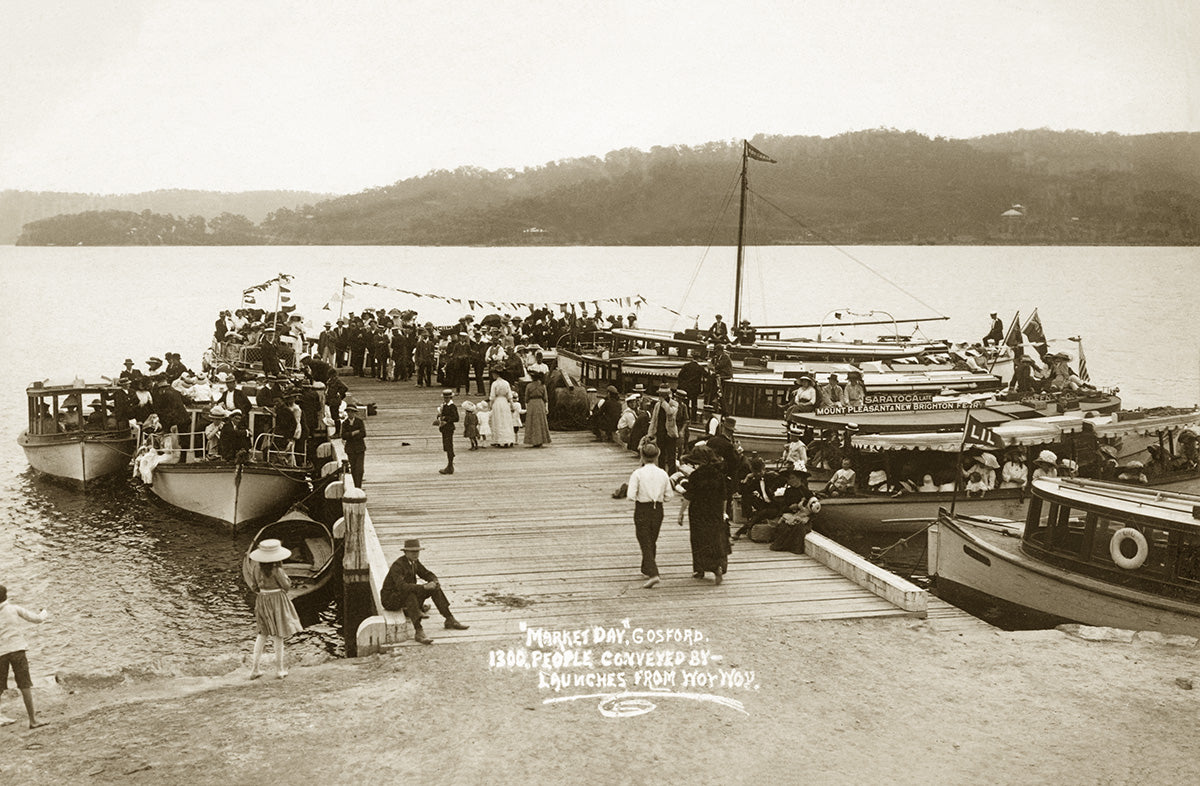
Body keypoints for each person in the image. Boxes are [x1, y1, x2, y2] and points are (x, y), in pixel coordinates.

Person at [380, 539, 469, 644]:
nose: (415, 554)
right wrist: (424, 587)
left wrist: (434, 581)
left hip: (404, 595)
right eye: (412, 552)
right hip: (390, 599)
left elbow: (426, 573)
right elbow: (402, 587)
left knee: (435, 589)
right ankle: (418, 630)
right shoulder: (398, 566)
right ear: (405, 552)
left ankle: (449, 618)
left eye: (417, 551)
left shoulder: (414, 562)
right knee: (410, 594)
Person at [246, 540, 303, 679]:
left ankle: (255, 669)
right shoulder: (277, 570)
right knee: (278, 635)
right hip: (277, 600)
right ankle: (279, 670)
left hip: (262, 600)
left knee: (262, 634)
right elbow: (286, 586)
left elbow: (254, 587)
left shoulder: (255, 569)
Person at [677, 445, 729, 585]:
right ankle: (718, 564)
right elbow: (724, 496)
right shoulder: (719, 475)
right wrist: (723, 512)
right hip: (715, 511)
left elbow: (689, 496)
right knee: (714, 538)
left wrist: (681, 513)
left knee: (698, 539)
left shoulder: (695, 476)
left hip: (698, 512)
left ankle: (700, 569)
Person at [0, 584, 49, 729]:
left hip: (0, 653)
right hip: (17, 649)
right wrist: (44, 612)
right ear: (6, 595)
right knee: (24, 685)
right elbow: (37, 619)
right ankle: (33, 720)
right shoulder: (13, 609)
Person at [626, 442, 673, 589]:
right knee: (651, 539)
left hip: (642, 508)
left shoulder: (637, 473)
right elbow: (669, 496)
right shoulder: (663, 473)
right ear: (657, 455)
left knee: (644, 540)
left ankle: (653, 573)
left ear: (642, 456)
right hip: (657, 509)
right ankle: (646, 567)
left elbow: (630, 496)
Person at [648, 385, 681, 474]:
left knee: (671, 456)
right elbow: (654, 419)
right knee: (660, 455)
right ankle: (661, 473)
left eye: (663, 394)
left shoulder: (674, 403)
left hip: (670, 433)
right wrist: (650, 434)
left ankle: (672, 474)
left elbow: (670, 412)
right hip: (660, 432)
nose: (661, 396)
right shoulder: (657, 405)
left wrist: (663, 402)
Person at [523, 371, 551, 447]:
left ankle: (533, 440)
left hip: (532, 404)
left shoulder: (529, 386)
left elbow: (526, 398)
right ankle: (541, 440)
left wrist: (526, 407)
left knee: (532, 422)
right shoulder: (542, 386)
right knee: (541, 422)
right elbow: (546, 398)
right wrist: (546, 407)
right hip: (540, 403)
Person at [487, 371, 516, 447]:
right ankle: (508, 439)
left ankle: (499, 439)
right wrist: (512, 405)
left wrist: (490, 405)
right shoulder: (506, 383)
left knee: (498, 420)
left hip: (497, 402)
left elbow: (492, 396)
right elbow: (509, 395)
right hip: (504, 402)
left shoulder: (495, 384)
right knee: (506, 420)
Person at [342, 403, 367, 486]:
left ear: (354, 413)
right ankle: (356, 484)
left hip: (360, 448)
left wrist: (351, 436)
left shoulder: (359, 421)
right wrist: (353, 433)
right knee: (353, 468)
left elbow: (363, 433)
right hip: (350, 449)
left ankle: (359, 485)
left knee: (360, 468)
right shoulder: (345, 423)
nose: (350, 413)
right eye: (349, 412)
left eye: (352, 412)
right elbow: (343, 436)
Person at [436, 389, 459, 474]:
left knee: (449, 446)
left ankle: (450, 465)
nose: (445, 399)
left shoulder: (452, 406)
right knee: (446, 446)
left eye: (447, 398)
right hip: (444, 428)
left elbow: (456, 418)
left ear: (450, 397)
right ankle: (449, 464)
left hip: (449, 428)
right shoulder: (444, 405)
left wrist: (446, 418)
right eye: (445, 398)